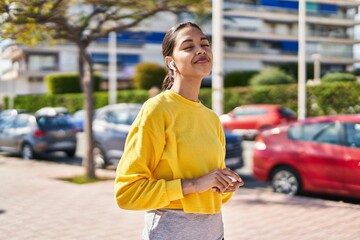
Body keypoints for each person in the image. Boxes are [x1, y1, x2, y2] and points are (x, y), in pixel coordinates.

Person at [114, 22, 244, 240]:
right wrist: (194, 184)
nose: (201, 50)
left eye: (204, 44)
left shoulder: (211, 118)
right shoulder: (157, 110)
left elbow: (210, 197)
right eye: (188, 46)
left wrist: (224, 186)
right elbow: (127, 193)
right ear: (170, 62)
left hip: (215, 232)